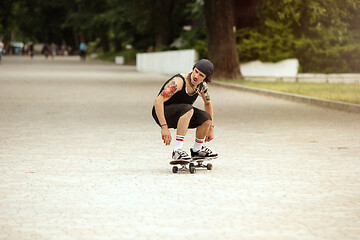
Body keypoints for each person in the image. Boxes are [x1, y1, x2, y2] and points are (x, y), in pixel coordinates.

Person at [152, 59, 218, 161]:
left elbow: (208, 103)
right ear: (193, 69)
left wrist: (211, 127)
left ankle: (197, 150)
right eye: (196, 71)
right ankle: (177, 150)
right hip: (163, 113)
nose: (196, 76)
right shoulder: (179, 82)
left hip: (183, 113)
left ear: (205, 78)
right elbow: (158, 101)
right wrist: (164, 127)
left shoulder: (201, 86)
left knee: (206, 118)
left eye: (201, 75)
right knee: (188, 109)